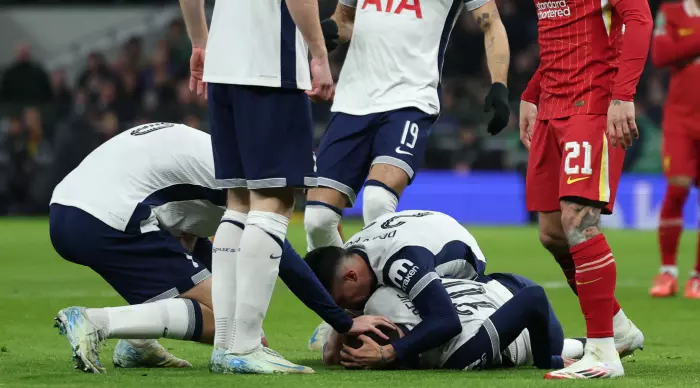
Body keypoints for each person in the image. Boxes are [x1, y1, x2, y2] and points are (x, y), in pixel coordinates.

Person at [50, 123, 390, 373]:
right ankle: (95, 321)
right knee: (239, 333)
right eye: (297, 187)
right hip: (106, 219)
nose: (295, 197)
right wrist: (342, 321)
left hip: (67, 209)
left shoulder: (219, 155)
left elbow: (187, 233)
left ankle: (138, 344)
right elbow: (282, 256)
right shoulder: (240, 175)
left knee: (213, 291)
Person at [178, 0, 334, 375]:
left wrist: (200, 41)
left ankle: (226, 344)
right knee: (275, 200)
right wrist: (319, 53)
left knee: (239, 203)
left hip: (223, 66)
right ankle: (246, 346)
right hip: (269, 67)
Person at [304, 0, 512, 252]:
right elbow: (344, 21)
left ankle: (382, 287)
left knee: (378, 203)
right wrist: (326, 34)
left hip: (411, 99)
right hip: (352, 101)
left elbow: (491, 24)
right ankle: (340, 290)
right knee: (318, 220)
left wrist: (499, 84)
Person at [518, 0, 652, 379]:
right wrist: (532, 93)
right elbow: (559, 37)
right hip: (551, 106)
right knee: (553, 233)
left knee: (579, 218)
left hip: (593, 103)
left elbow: (639, 20)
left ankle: (602, 351)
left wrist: (623, 95)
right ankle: (619, 329)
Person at [305, 210, 490, 367]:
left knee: (387, 308)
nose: (343, 309)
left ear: (352, 276)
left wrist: (388, 352)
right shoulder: (346, 259)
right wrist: (341, 327)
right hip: (413, 230)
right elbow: (331, 356)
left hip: (465, 256)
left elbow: (446, 320)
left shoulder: (402, 263)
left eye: (342, 303)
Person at [323, 276, 588, 371]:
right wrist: (548, 361)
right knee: (558, 349)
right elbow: (534, 299)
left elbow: (332, 354)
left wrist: (343, 326)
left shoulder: (379, 300)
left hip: (492, 286)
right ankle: (594, 344)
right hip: (523, 317)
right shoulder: (460, 355)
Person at [649, 0, 700, 299]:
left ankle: (697, 276)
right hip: (681, 118)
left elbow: (677, 50)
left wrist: (688, 43)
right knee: (677, 189)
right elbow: (661, 54)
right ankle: (667, 271)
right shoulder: (671, 10)